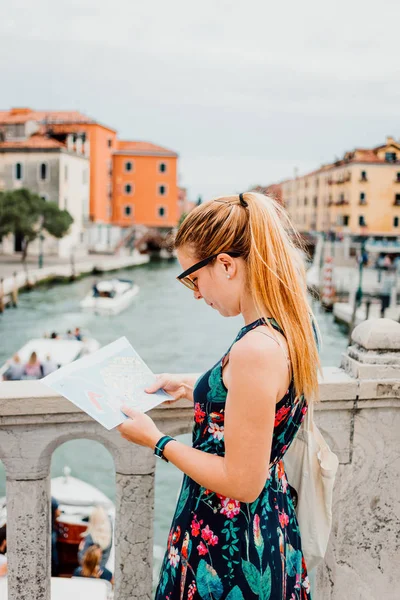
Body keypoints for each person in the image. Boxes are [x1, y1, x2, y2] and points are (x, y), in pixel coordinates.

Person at [117, 192, 320, 599]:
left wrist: (157, 441)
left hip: (229, 544)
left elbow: (242, 482)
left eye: (193, 277)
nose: (194, 292)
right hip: (266, 528)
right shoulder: (291, 328)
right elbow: (263, 398)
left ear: (225, 265)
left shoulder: (254, 349)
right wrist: (196, 385)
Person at [78, 506, 113, 571]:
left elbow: (82, 561)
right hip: (102, 571)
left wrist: (80, 551)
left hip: (88, 572)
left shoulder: (90, 537)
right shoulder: (109, 538)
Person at [51, 497, 61, 576]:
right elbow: (58, 513)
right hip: (50, 530)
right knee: (53, 555)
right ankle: (55, 573)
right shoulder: (53, 500)